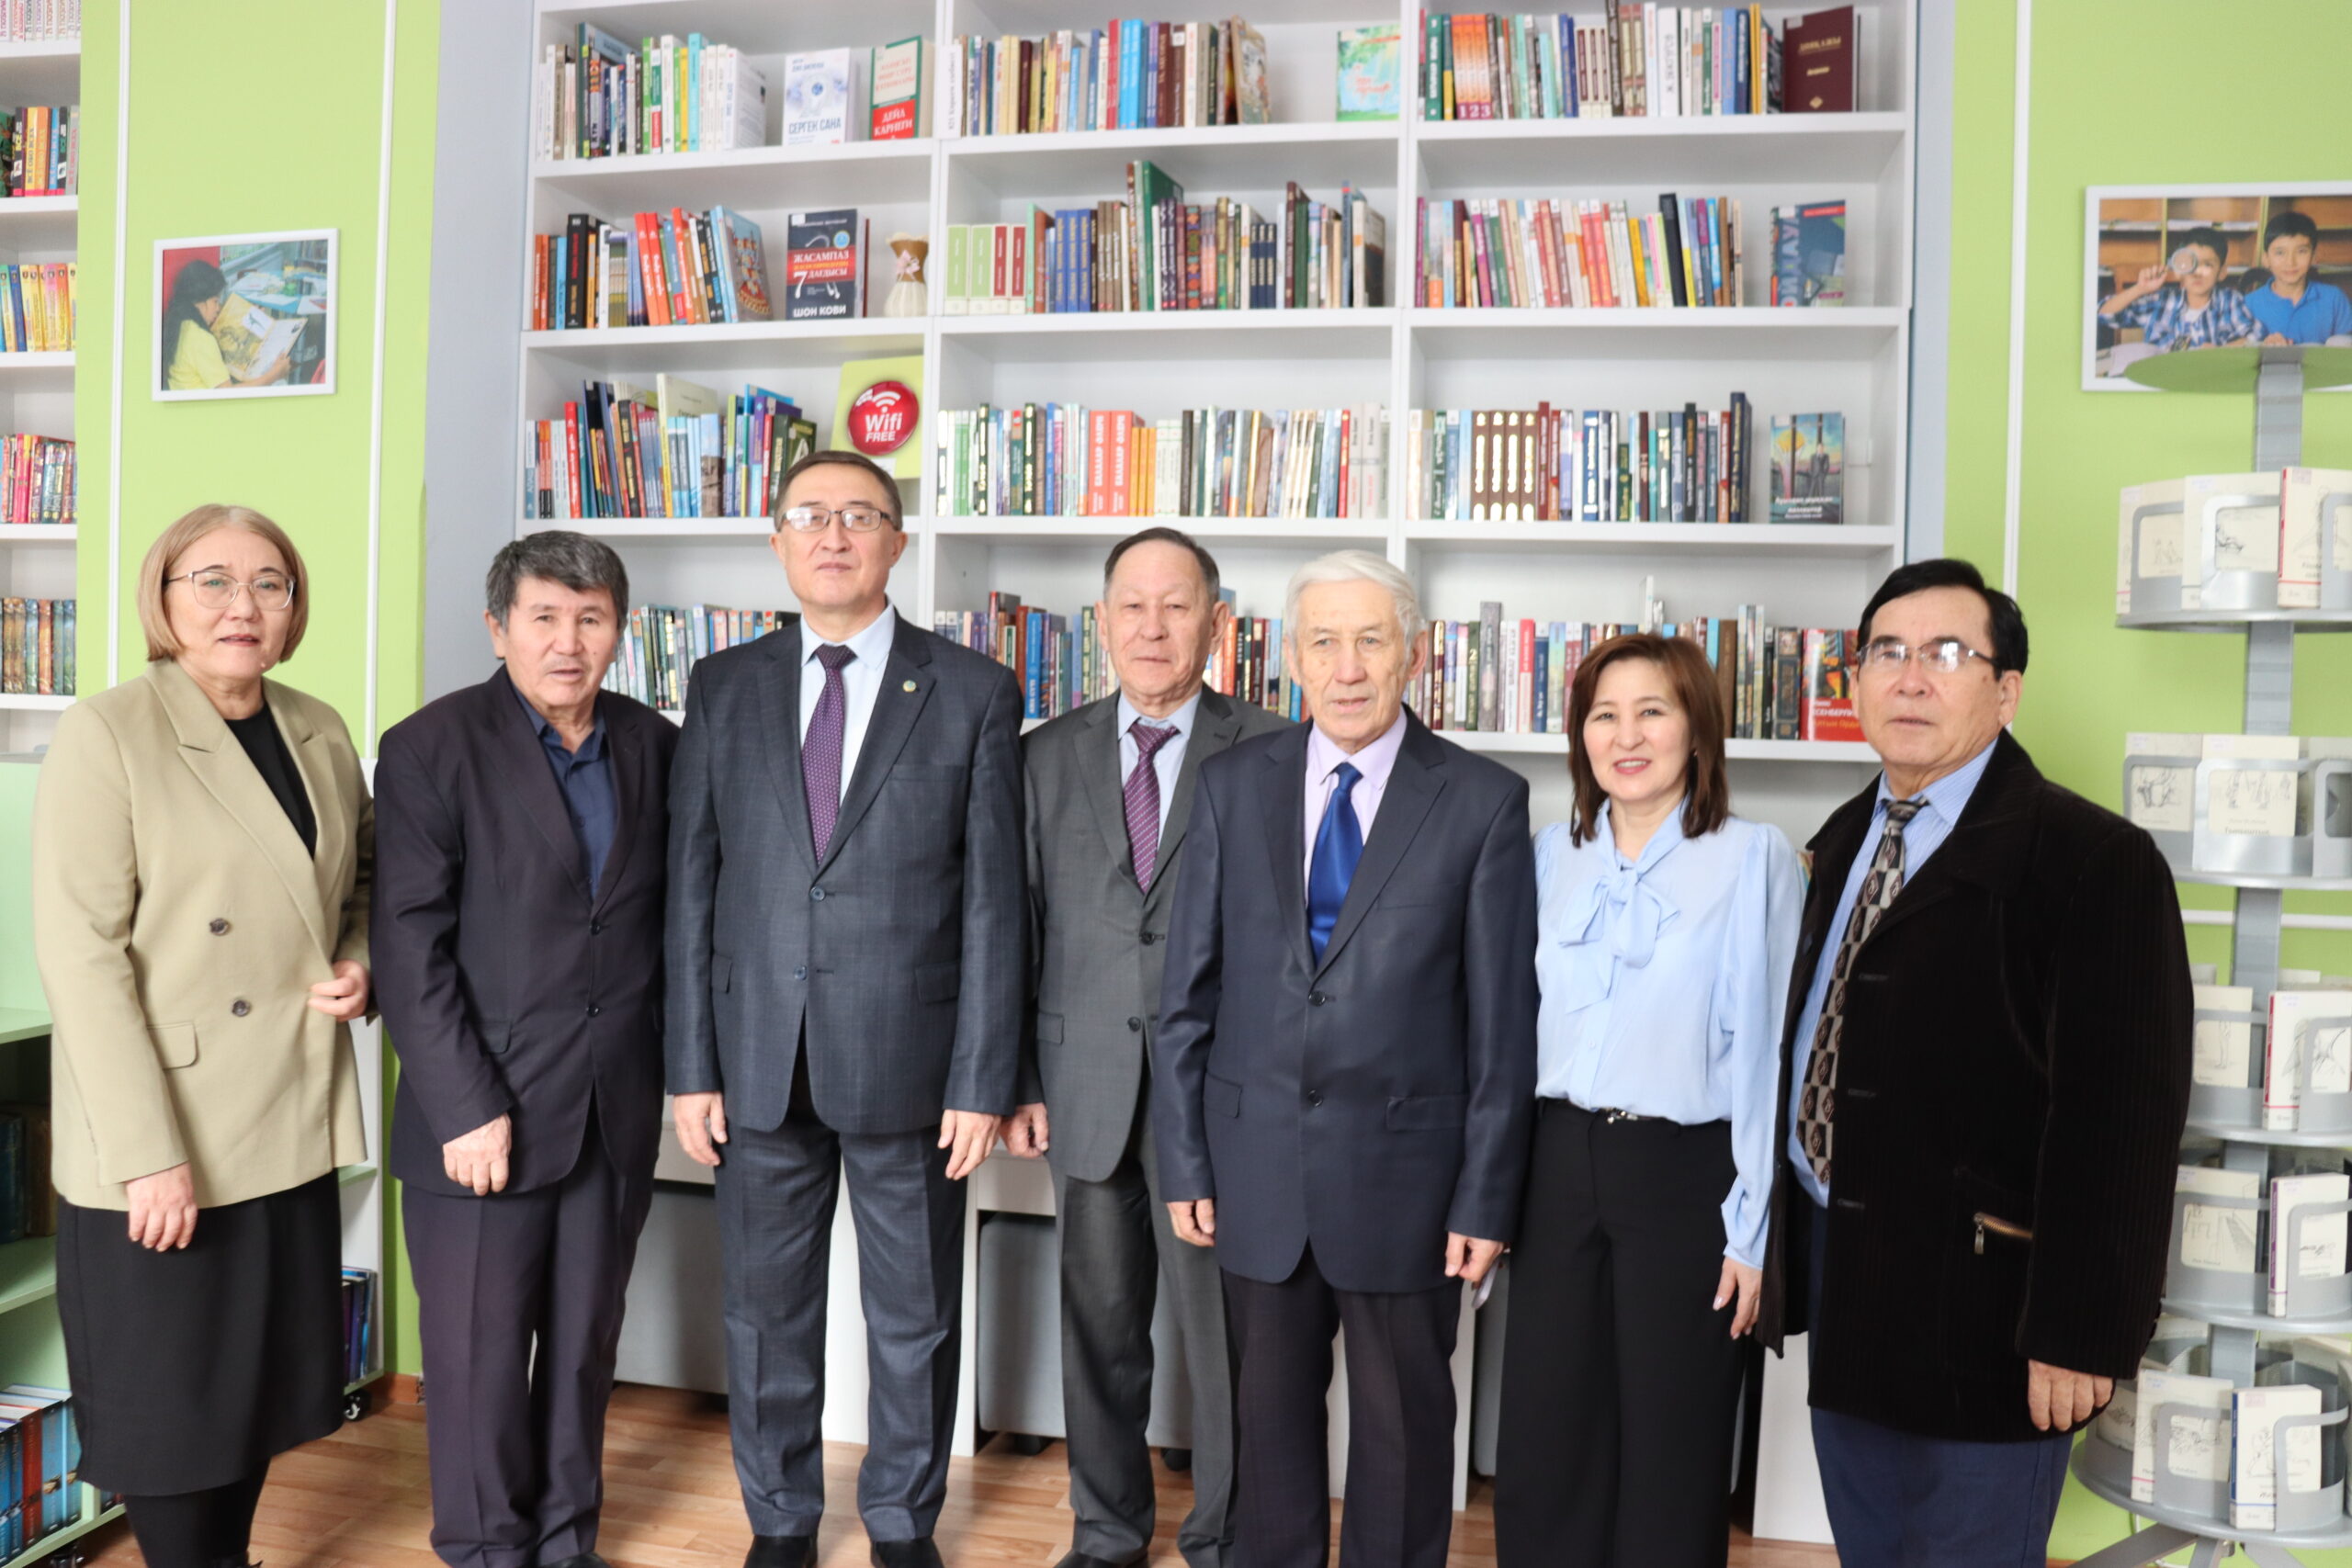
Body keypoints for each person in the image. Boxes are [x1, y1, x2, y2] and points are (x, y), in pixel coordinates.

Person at [1757, 558, 2193, 1567]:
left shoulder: (2094, 861)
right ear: (1855, 681)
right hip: (1849, 1293)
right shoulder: (1840, 840)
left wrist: (2082, 1332)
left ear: (2006, 691)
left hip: (1993, 1315)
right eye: (1888, 652)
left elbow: (2123, 1122)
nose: (1912, 677)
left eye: (1948, 654)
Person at [666, 448, 1023, 1568]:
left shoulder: (972, 689)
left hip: (913, 1066)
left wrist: (982, 1078)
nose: (833, 535)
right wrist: (690, 1066)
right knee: (764, 1315)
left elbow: (994, 903)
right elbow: (693, 885)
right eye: (810, 516)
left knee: (913, 1317)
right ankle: (779, 1521)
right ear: (777, 540)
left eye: (859, 516)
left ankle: (902, 1524)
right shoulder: (723, 684)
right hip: (755, 1059)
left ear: (896, 542)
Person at [1153, 549, 1537, 1568]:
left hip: (1411, 1184)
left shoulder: (1483, 801)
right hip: (1256, 1172)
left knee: (1404, 1436)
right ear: (1291, 656)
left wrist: (1485, 1200)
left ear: (1415, 652)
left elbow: (1503, 1027)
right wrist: (1186, 1162)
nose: (1348, 666)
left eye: (1371, 639)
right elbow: (1186, 997)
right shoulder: (1231, 787)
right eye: (1323, 641)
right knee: (1267, 1432)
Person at [31, 504, 373, 1568]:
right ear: (164, 600)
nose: (243, 605)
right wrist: (147, 1155)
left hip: (288, 1109)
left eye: (270, 583)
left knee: (252, 1388)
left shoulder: (318, 726)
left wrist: (360, 960)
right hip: (168, 1128)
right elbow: (82, 959)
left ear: (294, 607)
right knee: (170, 1403)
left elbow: (364, 875)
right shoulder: (109, 731)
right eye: (212, 580)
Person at [373, 532, 679, 1568]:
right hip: (480, 1114)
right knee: (478, 1359)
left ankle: (563, 1544)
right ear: (499, 628)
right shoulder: (430, 747)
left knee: (584, 1348)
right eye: (544, 617)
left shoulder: (653, 744)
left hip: (612, 1108)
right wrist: (465, 1106)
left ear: (619, 631)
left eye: (591, 619)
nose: (567, 642)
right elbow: (408, 945)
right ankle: (485, 1550)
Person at [1008, 526, 1291, 1568]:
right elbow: (1018, 926)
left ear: (1217, 623)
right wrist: (1019, 1077)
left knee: (1224, 1343)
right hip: (1082, 1089)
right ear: (1102, 621)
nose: (1153, 627)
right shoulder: (1043, 755)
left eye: (1177, 606)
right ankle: (1106, 1530)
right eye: (1132, 605)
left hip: (1218, 1101)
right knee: (1098, 1333)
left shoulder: (1275, 750)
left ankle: (1223, 1536)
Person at [1492, 634, 1804, 1568]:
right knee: (1547, 1428)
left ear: (1697, 730)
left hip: (1685, 1172)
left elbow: (1770, 1055)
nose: (1626, 736)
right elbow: (1513, 1026)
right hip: (1557, 1162)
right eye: (1604, 715)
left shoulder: (1752, 857)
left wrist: (1752, 1229)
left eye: (1651, 712)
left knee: (1674, 1435)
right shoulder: (1552, 854)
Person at [2098, 226, 2264, 354]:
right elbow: (2105, 315)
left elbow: (2255, 337)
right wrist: (2140, 289)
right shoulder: (2161, 301)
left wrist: (2219, 351)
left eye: (2207, 265)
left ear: (2221, 273)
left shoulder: (2230, 300)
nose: (2197, 272)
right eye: (2191, 263)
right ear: (2179, 269)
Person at [160, 259, 292, 392]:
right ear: (199, 300)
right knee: (279, 383)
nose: (218, 308)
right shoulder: (201, 339)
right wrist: (274, 375)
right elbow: (227, 393)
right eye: (215, 301)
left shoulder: (181, 322)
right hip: (208, 403)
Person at [2246, 209, 2352, 345]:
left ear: (2314, 257)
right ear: (2266, 259)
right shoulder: (2248, 305)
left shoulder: (2334, 299)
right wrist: (2262, 346)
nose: (2290, 262)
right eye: (2280, 253)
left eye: (2301, 251)